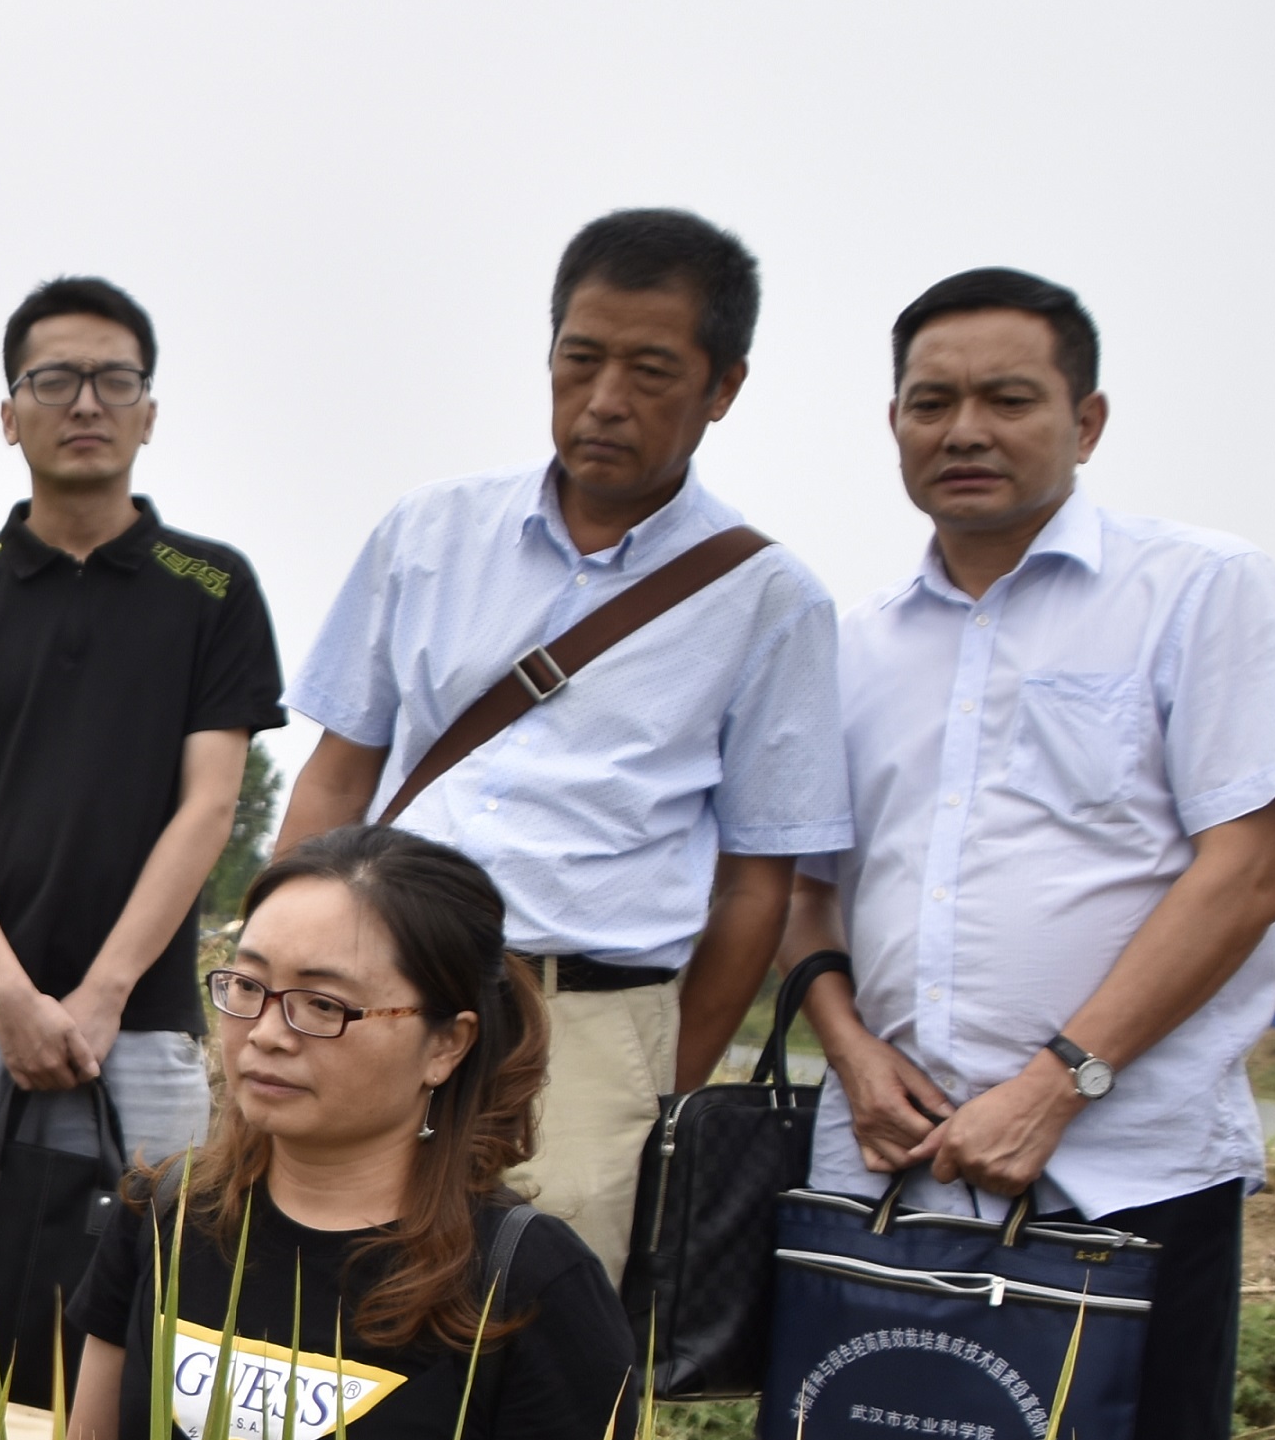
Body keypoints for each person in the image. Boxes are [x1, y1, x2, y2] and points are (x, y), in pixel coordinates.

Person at [783, 268, 1275, 1440]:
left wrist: (1058, 1080)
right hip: (889, 1184)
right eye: (930, 401)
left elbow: (1243, 869)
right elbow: (806, 888)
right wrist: (846, 1045)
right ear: (890, 427)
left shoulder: (1200, 594)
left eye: (1007, 398)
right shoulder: (847, 645)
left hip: (1129, 1184)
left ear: (1084, 419)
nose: (965, 430)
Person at [275, 209, 850, 1274]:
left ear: (723, 388)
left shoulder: (769, 601)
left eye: (650, 371)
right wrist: (283, 984)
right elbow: (337, 772)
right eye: (578, 360)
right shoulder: (429, 532)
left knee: (531, 1328)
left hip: (586, 1031)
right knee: (318, 1289)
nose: (602, 402)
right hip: (375, 989)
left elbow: (755, 884)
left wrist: (656, 1080)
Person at [55, 826, 636, 1440]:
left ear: (448, 1043)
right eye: (247, 986)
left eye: (323, 1005)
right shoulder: (165, 1218)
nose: (269, 1032)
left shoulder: (532, 1279)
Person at [0, 277, 278, 1175]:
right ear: (10, 414)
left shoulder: (214, 589)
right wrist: (9, 994)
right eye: (53, 381)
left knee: (144, 1287)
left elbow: (210, 808)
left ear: (149, 412)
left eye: (114, 381)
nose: (86, 403)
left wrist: (104, 993)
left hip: (142, 1015)